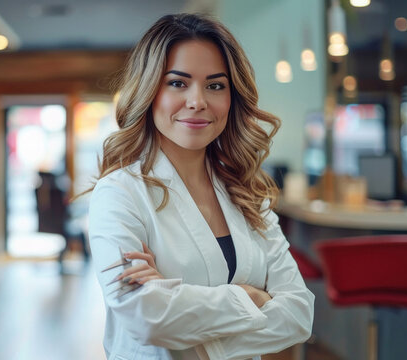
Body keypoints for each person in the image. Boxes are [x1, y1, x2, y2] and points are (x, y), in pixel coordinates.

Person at [86, 14, 314, 359]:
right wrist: (253, 298)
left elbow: (299, 315)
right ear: (150, 91)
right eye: (178, 83)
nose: (197, 101)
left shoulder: (248, 193)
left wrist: (182, 314)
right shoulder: (119, 193)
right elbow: (146, 318)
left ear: (232, 98)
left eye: (215, 85)